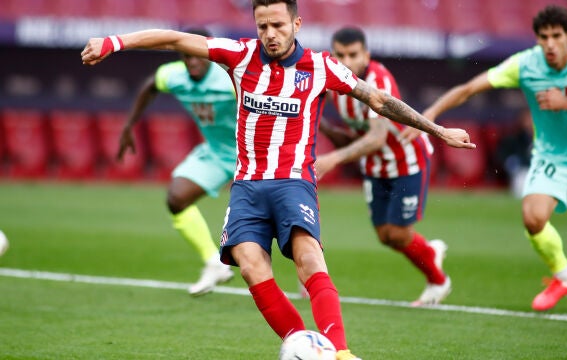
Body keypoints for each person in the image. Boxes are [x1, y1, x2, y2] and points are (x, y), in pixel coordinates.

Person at [81, 1, 475, 358]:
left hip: (293, 183)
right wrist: (114, 42)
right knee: (250, 265)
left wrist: (437, 131)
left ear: (296, 24)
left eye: (278, 25)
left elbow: (379, 100)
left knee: (307, 258)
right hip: (248, 186)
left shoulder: (321, 67)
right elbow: (176, 39)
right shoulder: (239, 55)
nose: (270, 34)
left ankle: (339, 352)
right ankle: (304, 346)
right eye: (263, 25)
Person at [421, 5, 567, 311]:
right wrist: (431, 113)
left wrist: (566, 102)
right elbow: (470, 88)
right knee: (533, 218)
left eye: (556, 36)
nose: (550, 43)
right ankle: (564, 276)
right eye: (543, 37)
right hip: (551, 156)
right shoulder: (525, 64)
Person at [316, 27, 450, 307]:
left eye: (353, 54)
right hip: (375, 167)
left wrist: (333, 159)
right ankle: (428, 250)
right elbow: (349, 136)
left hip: (406, 162)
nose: (347, 61)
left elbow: (377, 138)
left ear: (366, 54)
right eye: (340, 54)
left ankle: (438, 281)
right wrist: (321, 124)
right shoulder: (334, 82)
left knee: (398, 233)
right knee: (385, 236)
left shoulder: (379, 81)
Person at [118, 27, 235, 297]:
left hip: (251, 152)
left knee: (264, 220)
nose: (192, 62)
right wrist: (129, 125)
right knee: (176, 199)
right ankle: (213, 262)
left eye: (197, 55)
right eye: (186, 56)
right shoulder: (174, 75)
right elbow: (150, 86)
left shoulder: (228, 78)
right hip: (217, 152)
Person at [494, 108, 533, 197]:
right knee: (522, 186)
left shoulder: (545, 139)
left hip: (542, 171)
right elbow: (502, 156)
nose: (530, 122)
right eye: (528, 119)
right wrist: (511, 163)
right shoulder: (514, 138)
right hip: (523, 172)